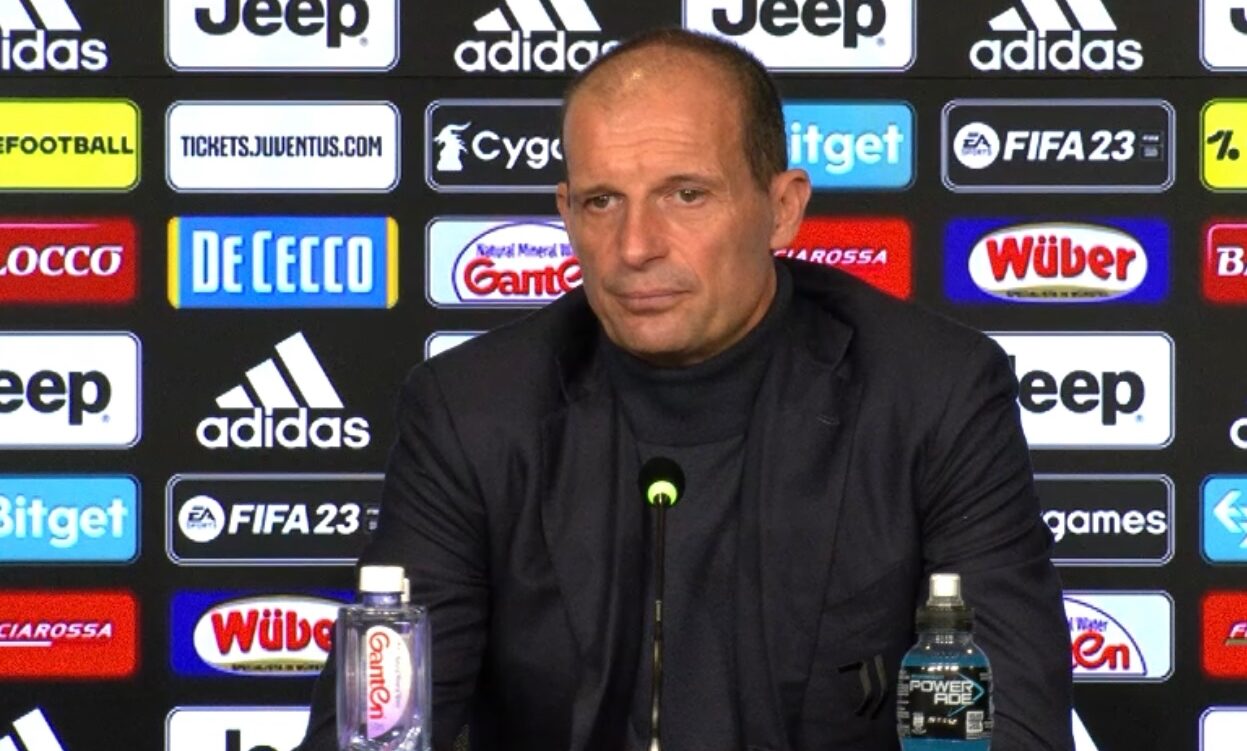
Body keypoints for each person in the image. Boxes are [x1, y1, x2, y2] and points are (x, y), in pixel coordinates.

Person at [296, 28, 1073, 751]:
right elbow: (373, 730)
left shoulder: (931, 392)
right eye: (601, 201)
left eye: (685, 195)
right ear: (566, 213)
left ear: (781, 209)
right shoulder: (472, 410)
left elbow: (1011, 725)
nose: (634, 246)